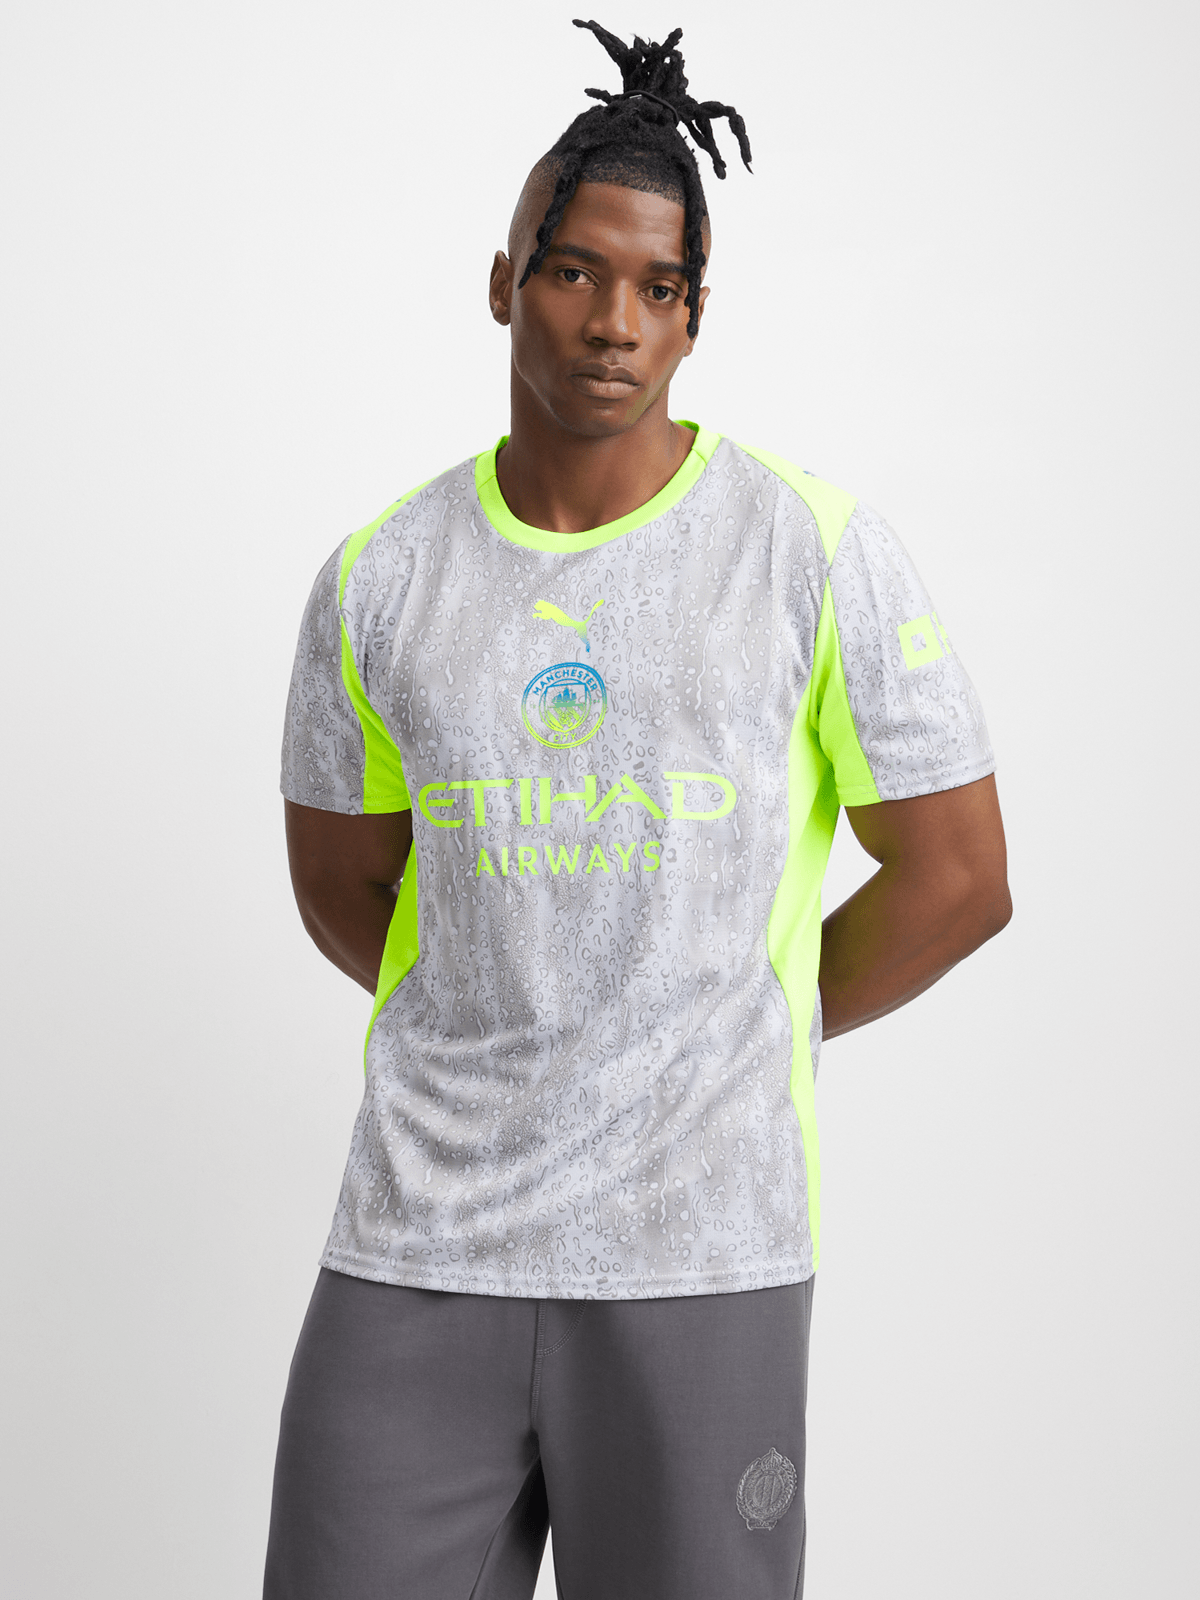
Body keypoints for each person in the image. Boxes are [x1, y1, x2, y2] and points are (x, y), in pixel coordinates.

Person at [265, 19, 1011, 1600]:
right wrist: (516, 1025)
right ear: (503, 282)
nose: (616, 323)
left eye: (660, 288)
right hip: (418, 1244)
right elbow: (345, 887)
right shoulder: (382, 576)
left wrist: (727, 1027)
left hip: (701, 1248)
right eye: (575, 273)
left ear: (695, 316)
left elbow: (958, 875)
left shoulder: (807, 549)